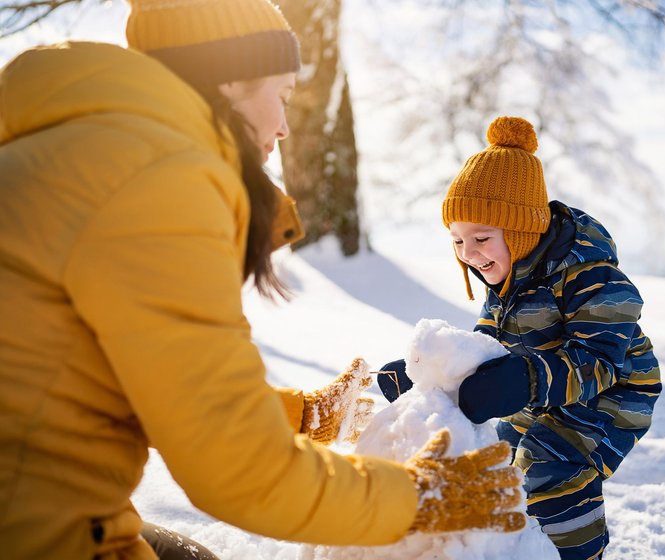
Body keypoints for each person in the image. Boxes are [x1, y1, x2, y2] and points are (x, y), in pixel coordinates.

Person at [0, 1, 526, 558]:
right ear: (227, 79)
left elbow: (159, 376)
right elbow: (235, 467)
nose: (282, 124)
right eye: (281, 93)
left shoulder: (86, 152)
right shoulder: (154, 181)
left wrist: (301, 417)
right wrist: (417, 499)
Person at [378, 116, 662, 559]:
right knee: (499, 458)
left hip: (614, 393)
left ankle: (577, 553)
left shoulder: (590, 275)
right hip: (545, 390)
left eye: (481, 237)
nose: (468, 254)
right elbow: (484, 350)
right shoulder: (506, 283)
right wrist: (435, 382)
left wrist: (524, 380)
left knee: (548, 465)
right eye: (457, 240)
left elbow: (599, 361)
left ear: (523, 229)